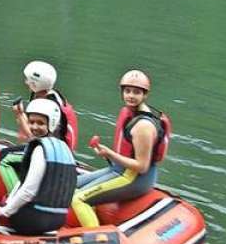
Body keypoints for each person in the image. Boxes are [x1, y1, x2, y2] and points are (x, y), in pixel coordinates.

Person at [71, 70, 172, 228]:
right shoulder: (133, 114)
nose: (130, 96)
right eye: (127, 91)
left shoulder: (143, 126)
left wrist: (109, 153)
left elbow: (142, 166)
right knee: (72, 185)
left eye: (136, 92)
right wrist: (110, 156)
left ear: (145, 95)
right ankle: (91, 216)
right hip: (120, 171)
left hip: (135, 178)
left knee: (78, 199)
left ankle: (99, 242)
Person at [0, 99, 77, 235]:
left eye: (40, 123)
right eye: (31, 122)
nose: (34, 127)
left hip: (34, 220)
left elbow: (28, 190)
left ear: (51, 123)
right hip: (58, 221)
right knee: (9, 201)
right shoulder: (64, 148)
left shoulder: (40, 149)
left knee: (7, 204)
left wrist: (5, 211)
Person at [13, 60, 79, 150]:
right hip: (53, 144)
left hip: (52, 150)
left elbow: (33, 136)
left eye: (29, 80)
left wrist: (19, 114)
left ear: (36, 84)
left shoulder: (47, 106)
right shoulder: (48, 94)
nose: (26, 82)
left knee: (4, 154)